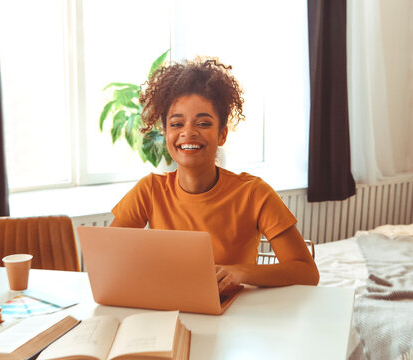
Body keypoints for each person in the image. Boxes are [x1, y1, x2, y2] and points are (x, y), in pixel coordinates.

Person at [110, 58, 319, 291]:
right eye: (177, 124)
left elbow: (306, 271)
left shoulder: (254, 193)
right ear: (166, 133)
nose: (188, 132)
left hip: (234, 315)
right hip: (170, 311)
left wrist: (240, 272)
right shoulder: (148, 190)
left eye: (203, 123)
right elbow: (108, 259)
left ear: (222, 135)